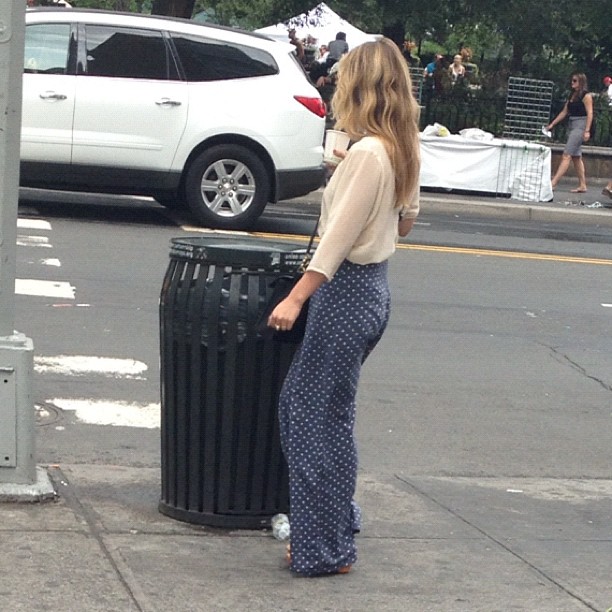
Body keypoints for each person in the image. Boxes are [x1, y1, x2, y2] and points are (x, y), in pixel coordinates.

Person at [267, 37, 421, 577]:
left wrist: (295, 296)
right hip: (373, 292)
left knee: (306, 417)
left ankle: (322, 548)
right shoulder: (398, 146)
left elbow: (336, 241)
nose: (333, 86)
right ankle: (335, 525)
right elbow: (406, 221)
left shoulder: (369, 154)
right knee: (330, 417)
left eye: (341, 78)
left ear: (360, 86)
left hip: (345, 293)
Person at [546, 72, 594, 193]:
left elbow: (590, 113)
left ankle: (554, 182)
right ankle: (583, 184)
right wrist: (552, 124)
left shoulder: (586, 96)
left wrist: (587, 130)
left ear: (581, 82)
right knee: (576, 157)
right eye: (572, 80)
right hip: (573, 123)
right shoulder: (572, 95)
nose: (572, 83)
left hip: (581, 124)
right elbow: (564, 112)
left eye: (575, 81)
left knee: (566, 154)